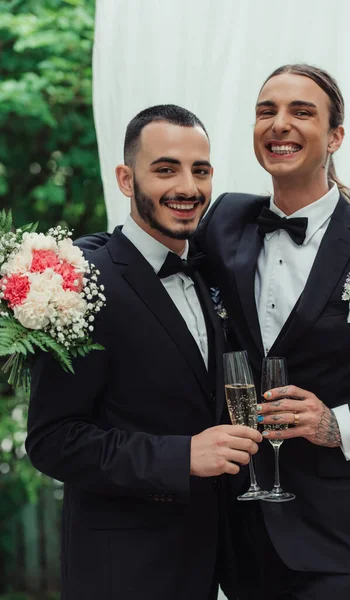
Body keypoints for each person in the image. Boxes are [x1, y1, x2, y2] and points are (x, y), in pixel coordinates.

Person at [25, 104, 262, 600]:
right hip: (123, 572)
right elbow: (52, 439)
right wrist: (182, 456)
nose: (188, 187)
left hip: (211, 565)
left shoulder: (206, 271)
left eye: (200, 170)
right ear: (126, 179)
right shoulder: (81, 282)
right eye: (165, 168)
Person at [195, 64, 350, 600]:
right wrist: (61, 266)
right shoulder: (225, 220)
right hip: (237, 529)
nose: (279, 123)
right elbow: (155, 259)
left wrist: (339, 424)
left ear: (335, 137)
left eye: (301, 112)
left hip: (338, 536)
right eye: (267, 111)